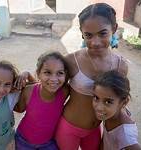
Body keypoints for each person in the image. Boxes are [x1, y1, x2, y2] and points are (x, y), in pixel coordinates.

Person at [55, 3, 128, 150]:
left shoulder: (121, 66)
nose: (95, 42)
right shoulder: (71, 61)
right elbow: (47, 84)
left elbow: (119, 102)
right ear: (82, 33)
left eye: (102, 33)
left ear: (114, 29)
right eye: (88, 35)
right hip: (69, 129)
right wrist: (26, 77)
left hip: (95, 131)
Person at [14, 51, 70, 150]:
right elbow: (19, 109)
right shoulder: (29, 91)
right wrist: (12, 90)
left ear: (65, 76)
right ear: (38, 74)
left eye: (60, 73)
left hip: (48, 142)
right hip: (23, 141)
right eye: (47, 72)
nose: (54, 79)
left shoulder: (65, 91)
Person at [92, 70, 141, 150]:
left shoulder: (125, 134)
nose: (99, 107)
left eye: (108, 102)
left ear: (124, 102)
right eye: (96, 98)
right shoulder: (111, 113)